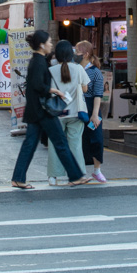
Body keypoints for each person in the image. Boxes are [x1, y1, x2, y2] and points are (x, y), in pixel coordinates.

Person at [11, 31, 90, 189]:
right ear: (41, 45)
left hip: (35, 110)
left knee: (31, 144)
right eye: (48, 42)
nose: (51, 45)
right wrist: (56, 91)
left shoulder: (38, 60)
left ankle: (18, 178)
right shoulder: (39, 62)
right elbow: (38, 85)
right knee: (60, 142)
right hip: (43, 111)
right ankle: (75, 176)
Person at [47, 40, 90, 186]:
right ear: (71, 54)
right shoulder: (78, 68)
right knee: (75, 144)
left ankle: (53, 177)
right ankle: (79, 174)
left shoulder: (50, 70)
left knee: (55, 145)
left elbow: (48, 91)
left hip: (56, 113)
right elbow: (85, 89)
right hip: (76, 113)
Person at [75, 41, 107, 183]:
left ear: (86, 54)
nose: (74, 54)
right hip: (76, 107)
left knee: (96, 139)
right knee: (78, 141)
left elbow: (98, 95)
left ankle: (97, 171)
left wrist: (95, 114)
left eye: (77, 52)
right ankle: (79, 172)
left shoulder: (95, 72)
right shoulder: (73, 69)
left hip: (91, 106)